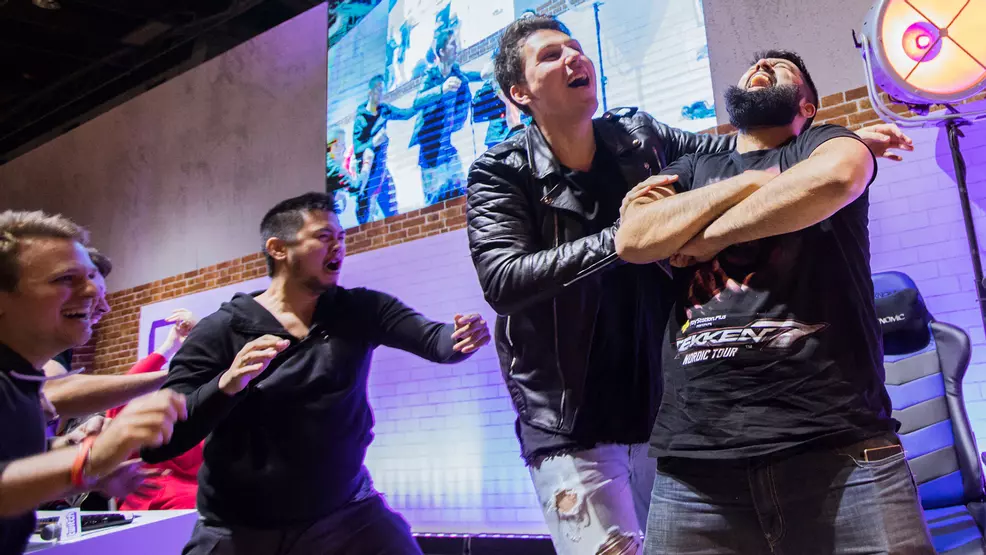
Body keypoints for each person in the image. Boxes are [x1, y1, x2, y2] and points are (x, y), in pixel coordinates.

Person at [466, 16, 915, 555]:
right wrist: (640, 235)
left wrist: (840, 147)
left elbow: (738, 155)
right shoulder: (501, 169)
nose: (573, 57)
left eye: (575, 46)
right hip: (573, 411)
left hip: (656, 406)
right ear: (519, 93)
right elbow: (509, 278)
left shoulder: (637, 135)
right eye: (550, 56)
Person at [615, 50, 930, 554]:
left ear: (807, 106)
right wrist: (751, 181)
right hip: (694, 465)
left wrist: (704, 237)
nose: (761, 66)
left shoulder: (824, 142)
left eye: (781, 68)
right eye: (754, 65)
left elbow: (836, 177)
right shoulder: (693, 166)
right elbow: (634, 239)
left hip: (841, 451)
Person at [141, 192, 491, 554]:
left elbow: (433, 339)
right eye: (324, 237)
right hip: (242, 527)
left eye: (341, 237)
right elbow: (159, 443)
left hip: (347, 513)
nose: (338, 247)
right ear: (278, 248)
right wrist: (226, 384)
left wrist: (459, 337)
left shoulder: (360, 309)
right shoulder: (221, 330)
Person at [0, 210, 185, 554]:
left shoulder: (20, 380)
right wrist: (89, 459)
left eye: (90, 277)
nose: (93, 293)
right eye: (65, 279)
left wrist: (85, 474)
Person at [41, 249, 169, 424]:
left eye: (102, 295)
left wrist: (65, 438)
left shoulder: (55, 343)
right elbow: (54, 391)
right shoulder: (45, 335)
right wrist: (178, 373)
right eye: (89, 295)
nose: (105, 308)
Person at [105, 309, 203, 510]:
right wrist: (169, 347)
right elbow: (122, 396)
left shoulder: (208, 412)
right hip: (152, 502)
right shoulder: (137, 422)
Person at [411, 28, 473, 205]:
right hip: (430, 152)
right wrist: (441, 89)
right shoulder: (431, 76)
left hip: (447, 148)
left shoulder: (457, 74)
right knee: (434, 203)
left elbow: (469, 79)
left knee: (463, 195)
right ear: (441, 51)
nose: (457, 47)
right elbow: (417, 102)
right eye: (452, 44)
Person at [351, 75, 418, 224]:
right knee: (366, 215)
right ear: (370, 93)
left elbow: (405, 114)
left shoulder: (384, 110)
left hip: (382, 170)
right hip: (368, 174)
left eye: (383, 90)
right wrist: (373, 142)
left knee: (392, 212)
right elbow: (358, 149)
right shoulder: (361, 119)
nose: (381, 94)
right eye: (378, 90)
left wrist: (423, 102)